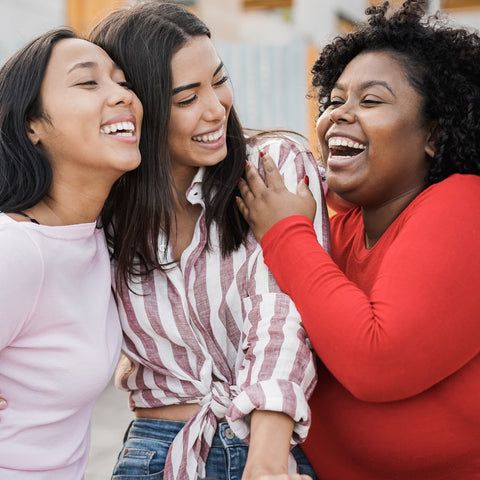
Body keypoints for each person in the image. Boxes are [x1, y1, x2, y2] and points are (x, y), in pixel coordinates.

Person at [237, 0, 480, 478]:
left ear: (433, 133)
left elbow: (377, 362)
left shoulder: (464, 203)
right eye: (333, 100)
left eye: (370, 101)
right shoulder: (336, 232)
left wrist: (285, 233)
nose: (339, 115)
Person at [88, 2, 330, 479]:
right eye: (186, 98)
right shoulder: (104, 208)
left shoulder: (272, 167)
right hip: (154, 453)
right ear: (140, 110)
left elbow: (282, 315)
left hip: (265, 445)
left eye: (219, 80)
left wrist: (265, 461)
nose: (217, 107)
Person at [0, 28, 142, 479]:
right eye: (88, 82)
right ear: (32, 125)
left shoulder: (99, 238)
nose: (121, 95)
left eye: (122, 81)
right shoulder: (19, 250)